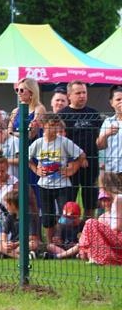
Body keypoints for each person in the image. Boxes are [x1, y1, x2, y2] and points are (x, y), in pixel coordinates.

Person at [29, 113, 85, 243]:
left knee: (65, 215)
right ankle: (50, 244)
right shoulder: (38, 143)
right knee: (47, 217)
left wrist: (72, 169)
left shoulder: (63, 142)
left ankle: (65, 240)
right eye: (51, 126)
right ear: (43, 126)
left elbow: (81, 155)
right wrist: (36, 169)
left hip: (63, 185)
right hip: (44, 185)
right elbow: (25, 158)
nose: (54, 129)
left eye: (56, 125)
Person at [57, 81, 102, 218]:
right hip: (70, 165)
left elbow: (100, 140)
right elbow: (60, 142)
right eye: (78, 93)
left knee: (90, 203)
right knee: (68, 204)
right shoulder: (62, 115)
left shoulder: (94, 114)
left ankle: (88, 227)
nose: (82, 96)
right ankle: (69, 230)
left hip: (91, 164)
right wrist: (77, 159)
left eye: (84, 92)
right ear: (69, 95)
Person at [78, 172, 122, 265]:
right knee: (93, 225)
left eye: (100, 186)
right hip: (115, 236)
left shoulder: (119, 199)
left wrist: (104, 228)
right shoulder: (116, 199)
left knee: (90, 222)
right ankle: (92, 255)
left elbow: (118, 227)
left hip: (119, 237)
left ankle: (88, 253)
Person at [97, 85, 122, 178]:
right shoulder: (108, 122)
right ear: (112, 103)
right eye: (118, 99)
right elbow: (100, 146)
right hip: (112, 170)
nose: (121, 102)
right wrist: (105, 134)